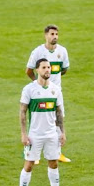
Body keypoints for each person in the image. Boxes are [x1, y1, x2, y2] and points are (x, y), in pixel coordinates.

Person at [18, 58, 68, 186]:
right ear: (37, 70)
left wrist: (62, 132)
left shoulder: (55, 89)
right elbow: (22, 112)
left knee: (53, 162)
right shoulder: (29, 89)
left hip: (52, 134)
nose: (48, 70)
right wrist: (23, 134)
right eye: (44, 67)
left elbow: (59, 112)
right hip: (35, 134)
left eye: (49, 67)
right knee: (29, 165)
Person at [25, 24, 71, 163]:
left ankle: (57, 152)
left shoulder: (62, 51)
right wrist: (37, 84)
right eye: (52, 34)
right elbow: (28, 70)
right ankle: (33, 152)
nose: (54, 36)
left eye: (56, 34)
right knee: (36, 119)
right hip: (39, 93)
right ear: (46, 35)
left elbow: (64, 69)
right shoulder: (38, 52)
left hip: (56, 93)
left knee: (58, 119)